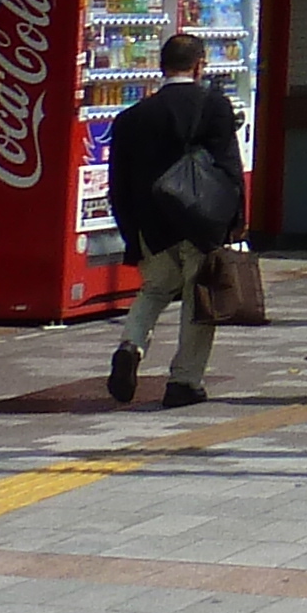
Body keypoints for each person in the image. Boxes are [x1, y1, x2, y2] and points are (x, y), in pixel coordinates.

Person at [105, 32, 242, 408]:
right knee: (199, 299)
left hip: (153, 223)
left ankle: (131, 345)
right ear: (200, 66)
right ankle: (184, 381)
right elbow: (229, 166)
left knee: (154, 290)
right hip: (203, 221)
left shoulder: (133, 117)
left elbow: (118, 183)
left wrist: (131, 234)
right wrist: (236, 220)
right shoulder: (214, 106)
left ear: (161, 66)